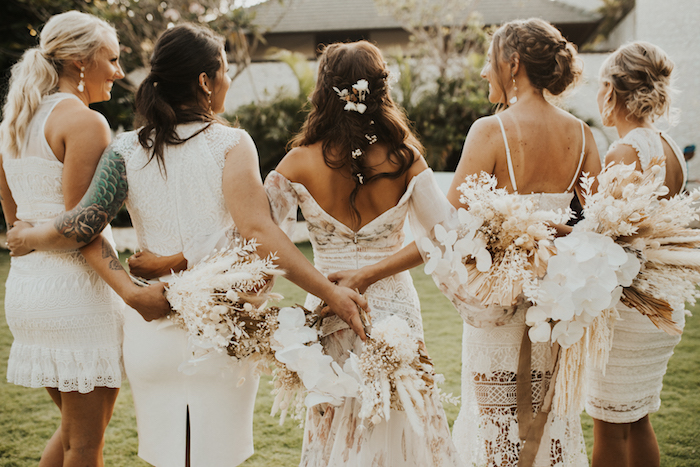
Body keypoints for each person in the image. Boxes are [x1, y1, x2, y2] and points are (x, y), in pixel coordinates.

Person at [6, 23, 368, 467]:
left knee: (163, 457)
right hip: (222, 331)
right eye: (226, 70)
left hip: (150, 334)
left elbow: (84, 226)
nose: (229, 80)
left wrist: (30, 233)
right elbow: (260, 234)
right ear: (204, 81)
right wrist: (330, 292)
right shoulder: (232, 144)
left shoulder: (122, 150)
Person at [330, 19, 601, 466]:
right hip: (555, 310)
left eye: (489, 62)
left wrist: (366, 272)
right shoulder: (582, 134)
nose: (482, 74)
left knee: (497, 430)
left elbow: (444, 233)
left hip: (496, 311)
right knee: (548, 423)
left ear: (513, 64)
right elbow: (594, 229)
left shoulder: (490, 131)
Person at [259, 41, 464, 466]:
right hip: (394, 310)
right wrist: (372, 273)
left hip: (327, 303)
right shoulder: (405, 158)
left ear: (323, 90)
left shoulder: (296, 163)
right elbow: (446, 237)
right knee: (402, 420)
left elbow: (265, 243)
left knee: (338, 423)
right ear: (379, 89)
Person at [0, 11, 169, 466]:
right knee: (86, 444)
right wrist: (132, 294)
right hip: (77, 296)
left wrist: (34, 239)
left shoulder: (13, 122)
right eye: (111, 59)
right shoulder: (85, 123)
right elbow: (84, 231)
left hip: (28, 290)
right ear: (79, 61)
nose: (117, 71)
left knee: (74, 435)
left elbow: (15, 223)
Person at [586, 41, 687, 467]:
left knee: (609, 424)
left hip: (630, 309)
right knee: (638, 419)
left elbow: (613, 239)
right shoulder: (669, 146)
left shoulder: (624, 152)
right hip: (662, 303)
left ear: (610, 92)